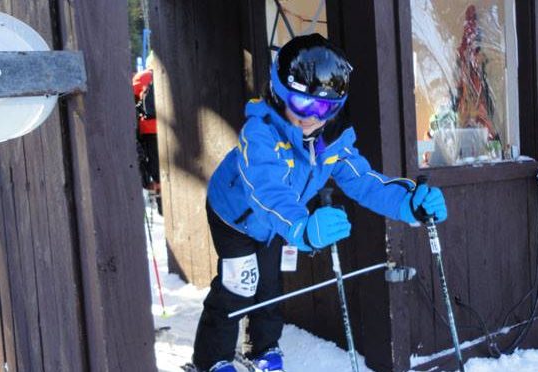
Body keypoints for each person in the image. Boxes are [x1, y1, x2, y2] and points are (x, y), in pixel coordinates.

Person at [190, 33, 447, 372]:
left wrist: (407, 203)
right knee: (239, 285)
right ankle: (213, 358)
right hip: (235, 215)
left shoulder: (332, 143)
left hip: (277, 223)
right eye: (302, 104)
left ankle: (262, 348)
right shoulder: (261, 133)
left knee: (268, 285)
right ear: (280, 94)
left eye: (324, 107)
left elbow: (365, 181)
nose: (312, 117)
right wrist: (301, 226)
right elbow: (266, 189)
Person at [133, 67, 162, 214]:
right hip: (164, 131)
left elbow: (131, 106)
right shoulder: (157, 76)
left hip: (150, 132)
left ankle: (161, 199)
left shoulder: (140, 78)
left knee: (158, 172)